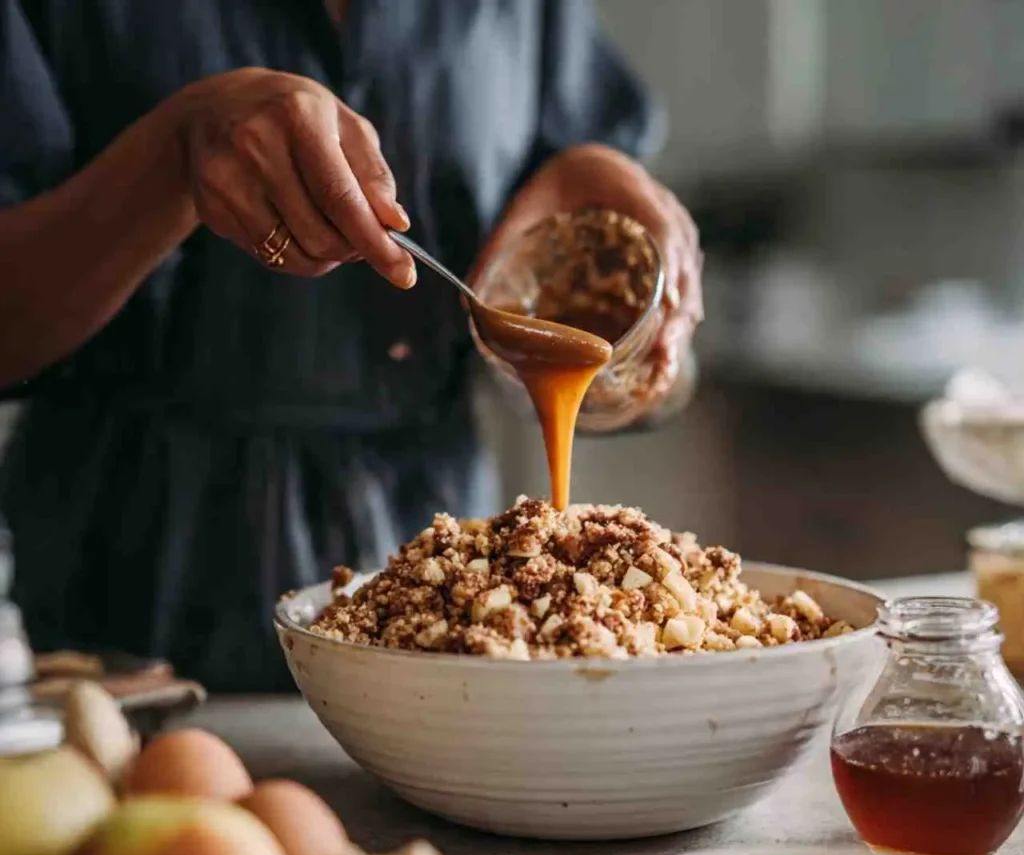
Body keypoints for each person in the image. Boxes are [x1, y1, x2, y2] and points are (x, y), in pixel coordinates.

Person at [0, 0, 704, 693]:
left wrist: (641, 303)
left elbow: (651, 388)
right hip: (123, 601)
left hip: (455, 614)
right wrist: (170, 158)